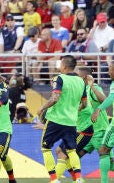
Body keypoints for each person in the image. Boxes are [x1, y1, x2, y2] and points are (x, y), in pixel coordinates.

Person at [36, 55, 86, 183]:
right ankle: (79, 178)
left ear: (63, 65)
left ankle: (54, 179)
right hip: (71, 122)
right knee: (71, 150)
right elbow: (84, 104)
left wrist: (41, 108)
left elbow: (55, 98)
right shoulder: (81, 81)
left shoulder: (59, 78)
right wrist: (74, 111)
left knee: (45, 148)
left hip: (55, 120)